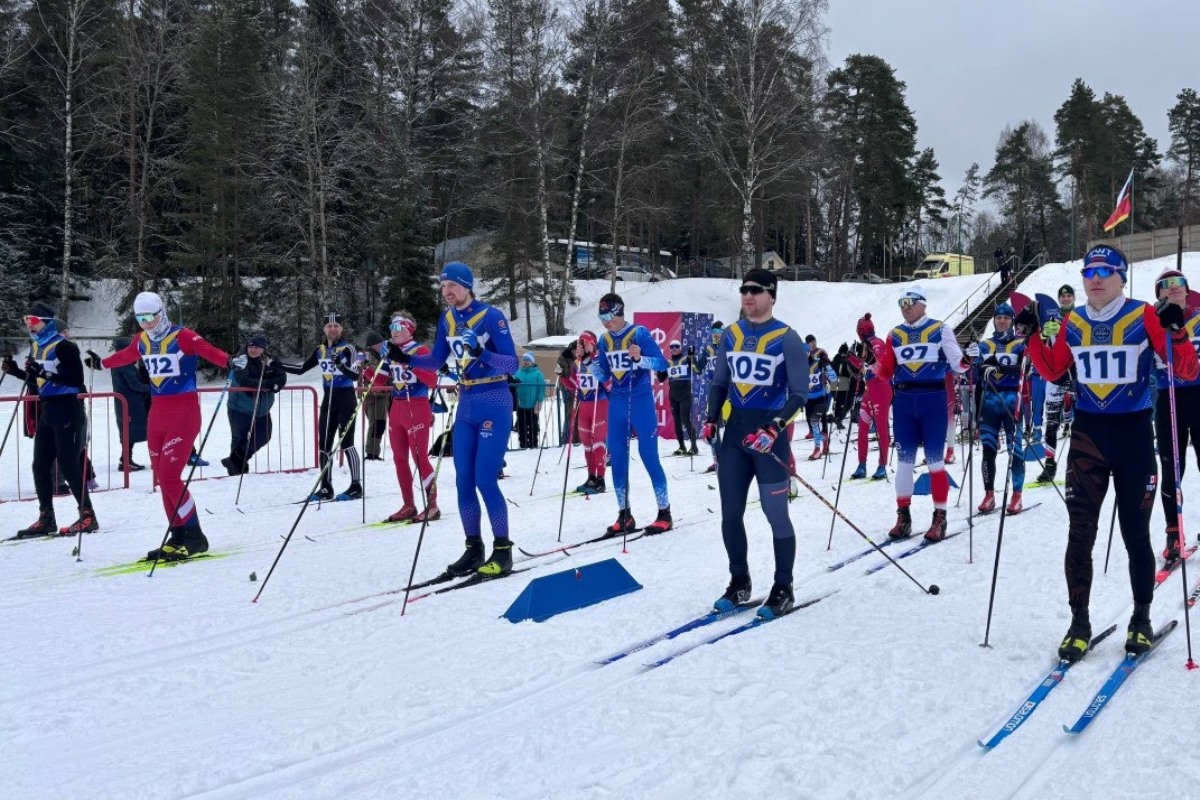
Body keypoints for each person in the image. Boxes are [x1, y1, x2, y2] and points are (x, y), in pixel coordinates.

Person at [1021, 245, 1198, 661]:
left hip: (1134, 436)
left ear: (1122, 278)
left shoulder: (1144, 315)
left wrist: (1176, 331)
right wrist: (1031, 336)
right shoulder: (1075, 321)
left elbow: (1187, 370)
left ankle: (1141, 618)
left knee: (1135, 533)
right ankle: (1079, 622)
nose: (1096, 279)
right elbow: (1053, 370)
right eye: (1089, 273)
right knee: (1080, 532)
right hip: (1089, 438)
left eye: (1105, 272)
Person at [394, 262, 519, 576]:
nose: (447, 291)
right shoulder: (447, 319)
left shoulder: (491, 316)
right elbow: (437, 360)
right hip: (467, 402)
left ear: (467, 285)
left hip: (494, 398)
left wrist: (482, 352)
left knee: (485, 479)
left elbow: (512, 364)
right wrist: (405, 358)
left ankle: (503, 550)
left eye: (452, 285)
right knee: (463, 480)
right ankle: (473, 548)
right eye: (443, 286)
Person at [89, 292, 229, 559]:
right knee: (162, 478)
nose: (146, 323)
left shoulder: (182, 336)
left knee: (169, 476)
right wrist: (101, 364)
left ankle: (195, 537)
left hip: (184, 413)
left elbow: (208, 350)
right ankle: (177, 536)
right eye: (140, 318)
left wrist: (229, 361)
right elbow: (126, 355)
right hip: (157, 414)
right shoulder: (141, 340)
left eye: (149, 317)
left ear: (161, 313)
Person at [702, 269, 809, 619]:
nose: (748, 296)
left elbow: (799, 394)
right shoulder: (731, 334)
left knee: (775, 513)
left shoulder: (787, 338)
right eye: (744, 290)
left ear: (771, 295)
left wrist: (775, 427)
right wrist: (711, 417)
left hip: (768, 439)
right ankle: (739, 582)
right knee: (731, 512)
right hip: (735, 436)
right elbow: (720, 382)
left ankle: (783, 587)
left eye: (756, 290)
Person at [872, 284, 966, 542]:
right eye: (901, 303)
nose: (906, 308)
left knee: (935, 461)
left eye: (910, 302)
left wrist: (970, 359)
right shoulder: (895, 334)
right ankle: (903, 517)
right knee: (904, 462)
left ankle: (940, 517)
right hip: (904, 402)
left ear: (923, 303)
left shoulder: (940, 329)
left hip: (932, 400)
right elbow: (886, 372)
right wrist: (871, 361)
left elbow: (959, 364)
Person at [3, 301, 97, 537]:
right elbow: (38, 381)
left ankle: (88, 515)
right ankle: (46, 518)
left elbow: (75, 380)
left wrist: (44, 373)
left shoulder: (64, 346)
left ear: (47, 322)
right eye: (26, 320)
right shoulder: (36, 346)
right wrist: (15, 371)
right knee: (40, 465)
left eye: (33, 320)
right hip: (48, 410)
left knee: (68, 464)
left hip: (68, 409)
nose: (29, 325)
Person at [592, 292, 673, 535]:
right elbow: (603, 376)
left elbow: (661, 364)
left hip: (640, 401)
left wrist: (640, 359)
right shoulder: (604, 340)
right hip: (617, 402)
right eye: (601, 317)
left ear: (619, 312)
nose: (606, 322)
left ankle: (664, 512)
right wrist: (588, 363)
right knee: (617, 458)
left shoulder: (639, 333)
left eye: (608, 316)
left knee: (649, 456)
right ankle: (624, 514)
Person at [280, 312, 363, 501]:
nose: (333, 329)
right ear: (324, 329)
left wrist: (340, 365)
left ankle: (356, 486)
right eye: (329, 326)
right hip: (328, 400)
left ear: (341, 328)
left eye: (336, 326)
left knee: (347, 443)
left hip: (346, 399)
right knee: (324, 444)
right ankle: (326, 487)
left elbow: (355, 375)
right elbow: (301, 369)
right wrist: (275, 364)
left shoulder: (349, 348)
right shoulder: (320, 349)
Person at [1151, 268, 1200, 561]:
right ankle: (1173, 532)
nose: (1173, 287)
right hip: (1168, 398)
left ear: (1187, 290)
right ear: (1158, 293)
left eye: (1178, 283)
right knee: (1171, 469)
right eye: (1165, 284)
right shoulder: (1151, 323)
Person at [967, 303, 1027, 514]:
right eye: (998, 318)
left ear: (1012, 321)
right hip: (989, 403)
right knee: (988, 450)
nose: (1002, 321)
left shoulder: (1020, 344)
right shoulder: (985, 345)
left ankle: (1017, 495)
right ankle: (989, 494)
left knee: (1015, 450)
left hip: (1012, 400)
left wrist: (1000, 367)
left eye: (1006, 318)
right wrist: (971, 359)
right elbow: (974, 377)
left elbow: (1024, 369)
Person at [381, 314, 439, 523]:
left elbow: (433, 380)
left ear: (409, 330)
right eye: (391, 327)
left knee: (419, 457)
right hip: (396, 408)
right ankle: (408, 505)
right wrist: (362, 367)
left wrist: (410, 364)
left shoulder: (419, 350)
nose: (393, 331)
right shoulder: (391, 352)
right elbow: (378, 380)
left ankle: (432, 506)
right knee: (399, 459)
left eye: (398, 327)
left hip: (416, 406)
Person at [222, 334, 286, 475]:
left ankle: (233, 461)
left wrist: (270, 384)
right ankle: (237, 471)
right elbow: (244, 381)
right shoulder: (241, 359)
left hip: (262, 409)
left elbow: (281, 377)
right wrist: (269, 385)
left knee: (264, 436)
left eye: (257, 347)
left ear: (263, 349)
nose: (253, 350)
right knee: (239, 439)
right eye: (251, 347)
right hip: (240, 408)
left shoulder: (270, 360)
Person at [1035, 284, 1077, 483]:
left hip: (1076, 375)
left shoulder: (1080, 316)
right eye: (1063, 296)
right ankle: (1049, 465)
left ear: (1073, 297)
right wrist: (1044, 335)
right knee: (1051, 422)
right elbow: (1043, 346)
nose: (1066, 298)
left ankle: (1081, 463)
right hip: (1056, 376)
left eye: (1069, 295)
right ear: (1059, 299)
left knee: (1082, 422)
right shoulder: (1051, 319)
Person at [848, 313, 891, 481]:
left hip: (881, 390)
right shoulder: (866, 345)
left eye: (859, 330)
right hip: (869, 390)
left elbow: (880, 368)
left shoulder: (877, 343)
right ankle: (862, 465)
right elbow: (862, 367)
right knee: (863, 427)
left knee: (881, 429)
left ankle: (882, 465)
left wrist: (870, 360)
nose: (858, 333)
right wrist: (849, 357)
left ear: (863, 330)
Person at [573, 331, 609, 494]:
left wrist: (588, 361)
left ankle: (601, 480)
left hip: (599, 404)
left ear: (592, 344)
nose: (581, 345)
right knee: (587, 444)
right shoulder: (578, 362)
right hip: (584, 405)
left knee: (598, 443)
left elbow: (606, 380)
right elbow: (574, 385)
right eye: (579, 343)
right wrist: (564, 375)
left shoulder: (600, 360)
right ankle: (591, 477)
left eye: (584, 342)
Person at [109, 335, 149, 472]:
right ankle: (125, 461)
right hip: (131, 404)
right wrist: (150, 388)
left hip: (127, 403)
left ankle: (126, 459)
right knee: (129, 433)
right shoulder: (125, 365)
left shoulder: (119, 363)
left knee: (128, 432)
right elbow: (134, 385)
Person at [803, 334, 836, 460]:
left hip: (821, 396)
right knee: (813, 424)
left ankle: (817, 449)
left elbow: (833, 378)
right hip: (808, 398)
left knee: (815, 421)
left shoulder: (819, 357)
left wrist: (826, 365)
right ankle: (824, 438)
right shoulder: (801, 364)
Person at [360, 330, 391, 461]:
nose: (383, 345)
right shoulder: (368, 357)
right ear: (373, 345)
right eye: (380, 343)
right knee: (377, 423)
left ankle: (373, 451)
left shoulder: (378, 356)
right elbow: (374, 375)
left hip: (381, 394)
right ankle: (371, 452)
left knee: (379, 423)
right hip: (373, 395)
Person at [666, 340, 699, 455]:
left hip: (685, 394)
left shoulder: (686, 358)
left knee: (685, 419)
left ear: (680, 348)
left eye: (676, 346)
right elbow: (661, 377)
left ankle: (694, 447)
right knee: (677, 422)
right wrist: (659, 368)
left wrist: (692, 356)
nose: (674, 348)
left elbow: (696, 369)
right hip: (673, 395)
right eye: (672, 347)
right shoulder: (668, 362)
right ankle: (682, 447)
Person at [514, 352, 545, 449]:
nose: (526, 362)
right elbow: (514, 388)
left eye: (528, 360)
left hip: (533, 406)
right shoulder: (518, 373)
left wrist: (539, 401)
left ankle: (533, 444)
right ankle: (523, 444)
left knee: (533, 426)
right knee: (521, 427)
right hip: (521, 405)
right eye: (524, 360)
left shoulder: (538, 374)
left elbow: (541, 389)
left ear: (532, 361)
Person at [556, 340, 578, 445]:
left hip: (576, 388)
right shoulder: (564, 358)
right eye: (575, 350)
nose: (577, 352)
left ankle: (576, 437)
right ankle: (567, 437)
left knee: (576, 412)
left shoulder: (576, 359)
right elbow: (562, 373)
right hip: (567, 387)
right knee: (570, 412)